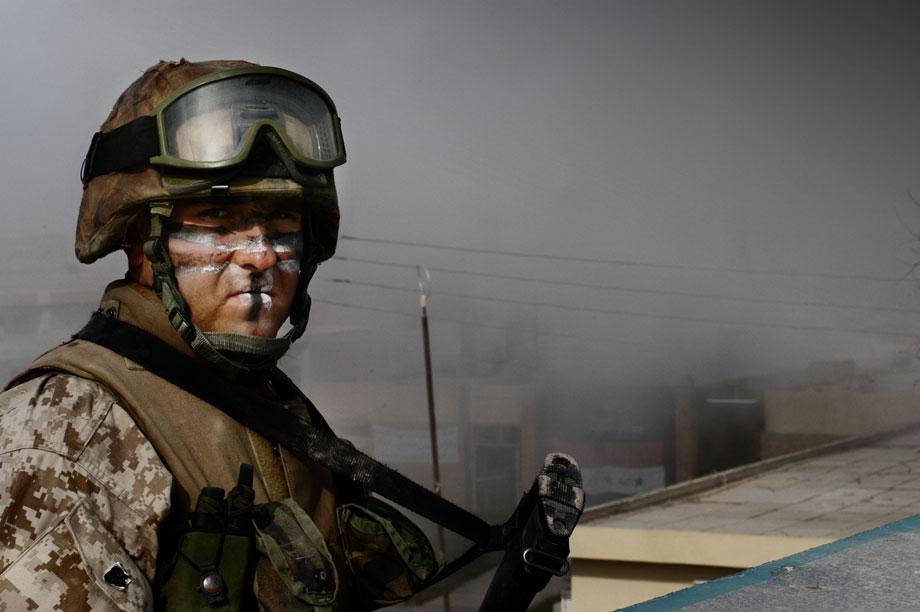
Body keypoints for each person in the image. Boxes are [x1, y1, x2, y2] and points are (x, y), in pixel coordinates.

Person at [0, 59, 440, 611]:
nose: (259, 256)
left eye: (282, 229)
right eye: (217, 221)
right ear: (141, 241)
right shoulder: (67, 429)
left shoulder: (277, 411)